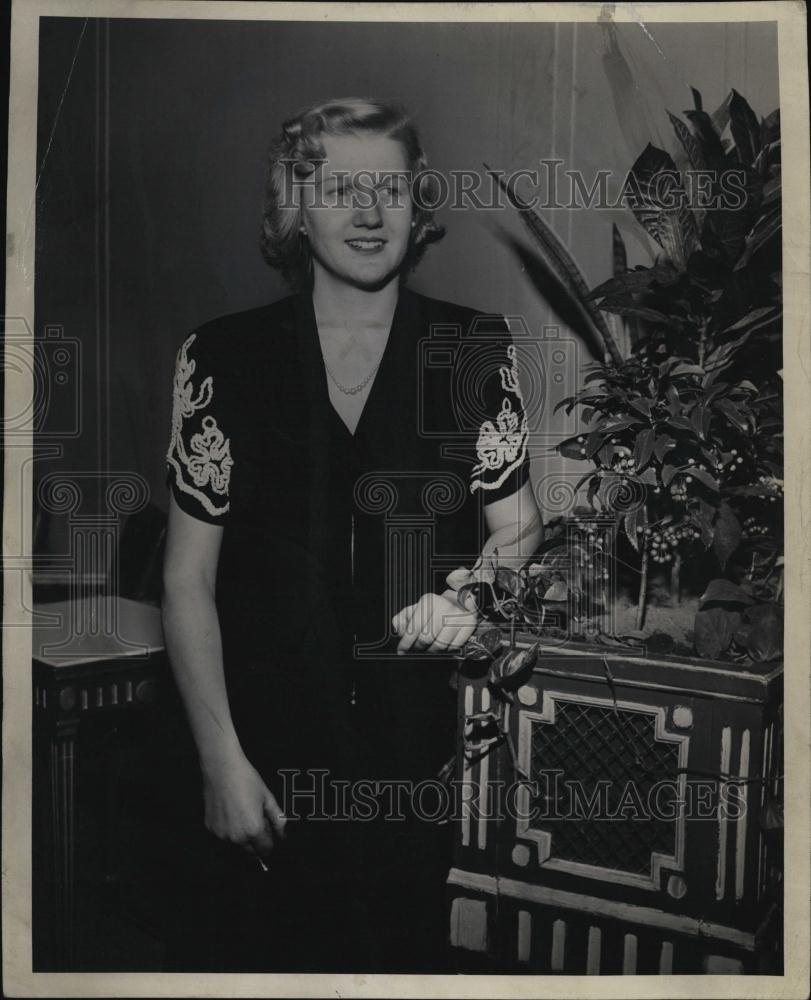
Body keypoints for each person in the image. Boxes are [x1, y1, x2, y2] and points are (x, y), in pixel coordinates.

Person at [161, 97, 542, 972]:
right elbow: (185, 581)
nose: (369, 214)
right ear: (295, 207)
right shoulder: (219, 358)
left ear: (418, 207)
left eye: (390, 188)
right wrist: (220, 761)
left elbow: (518, 527)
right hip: (261, 755)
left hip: (421, 762)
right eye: (338, 188)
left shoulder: (471, 348)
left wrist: (472, 596)